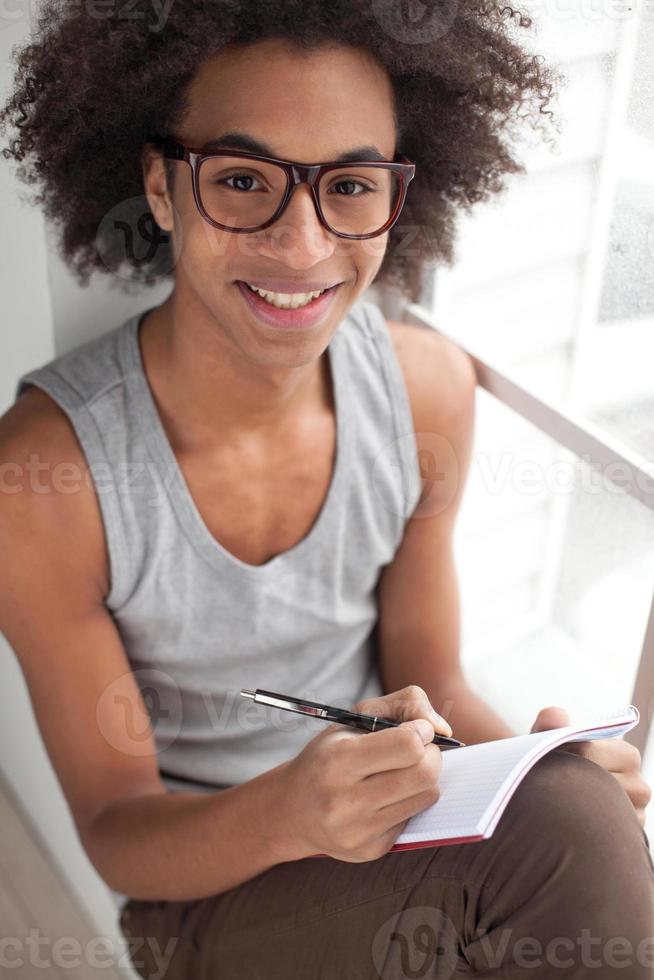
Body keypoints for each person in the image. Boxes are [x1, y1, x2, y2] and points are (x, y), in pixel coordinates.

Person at [1, 2, 652, 977]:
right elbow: (115, 829)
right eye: (243, 179)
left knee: (572, 815)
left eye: (349, 184)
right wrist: (290, 810)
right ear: (161, 187)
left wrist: (537, 771)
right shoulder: (42, 478)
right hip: (206, 886)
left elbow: (435, 676)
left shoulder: (427, 390)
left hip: (391, 822)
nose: (302, 245)